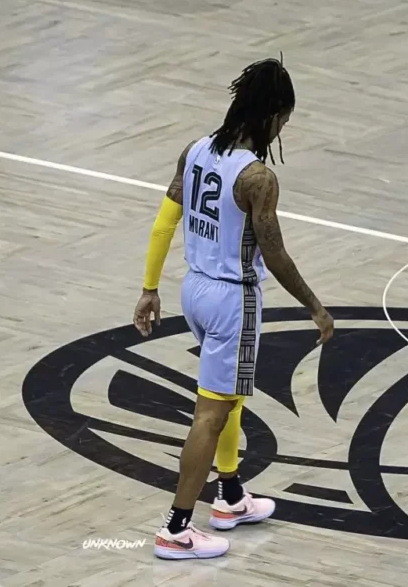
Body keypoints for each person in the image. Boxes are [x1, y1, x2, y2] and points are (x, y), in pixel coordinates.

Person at [133, 57, 334, 560]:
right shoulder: (257, 178)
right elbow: (275, 254)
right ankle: (177, 528)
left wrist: (150, 287)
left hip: (194, 289)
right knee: (210, 415)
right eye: (283, 120)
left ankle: (229, 495)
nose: (282, 129)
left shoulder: (196, 150)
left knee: (227, 398)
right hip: (232, 299)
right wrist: (314, 306)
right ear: (270, 115)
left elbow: (163, 223)